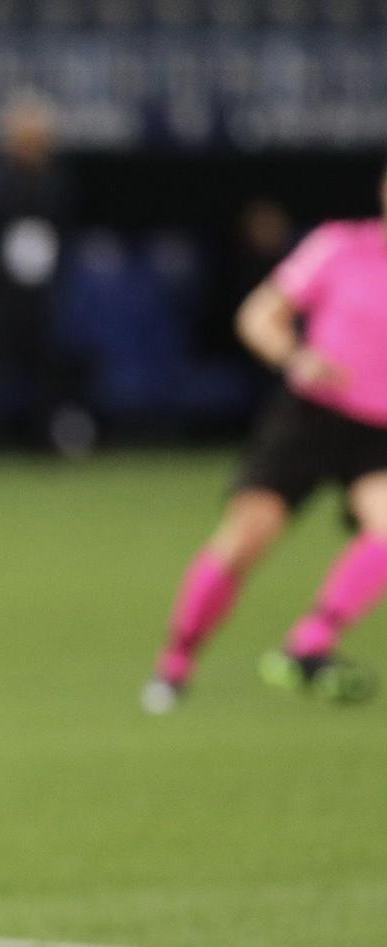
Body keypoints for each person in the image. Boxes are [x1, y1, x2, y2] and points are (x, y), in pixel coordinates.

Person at [143, 164, 387, 713]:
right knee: (246, 537)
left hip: (379, 431)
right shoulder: (339, 247)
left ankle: (311, 643)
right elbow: (259, 315)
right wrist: (297, 357)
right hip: (314, 415)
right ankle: (176, 662)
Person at [0, 92, 87, 452]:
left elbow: (61, 235)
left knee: (45, 373)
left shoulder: (54, 181)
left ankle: (44, 442)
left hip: (38, 291)